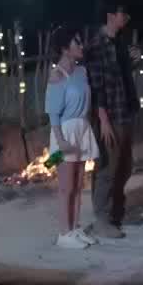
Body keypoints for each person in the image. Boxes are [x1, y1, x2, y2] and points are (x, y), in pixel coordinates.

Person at [85, 0, 140, 240]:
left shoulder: (119, 42)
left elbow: (119, 77)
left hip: (125, 110)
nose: (126, 18)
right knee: (107, 167)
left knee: (125, 166)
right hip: (110, 116)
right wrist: (104, 120)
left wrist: (132, 61)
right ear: (110, 15)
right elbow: (96, 87)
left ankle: (117, 212)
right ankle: (101, 219)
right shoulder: (96, 46)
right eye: (122, 14)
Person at [44, 28, 99, 250]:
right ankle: (63, 233)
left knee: (78, 184)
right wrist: (61, 142)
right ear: (65, 48)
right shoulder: (57, 75)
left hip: (82, 128)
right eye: (77, 42)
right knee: (66, 186)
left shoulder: (82, 72)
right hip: (64, 132)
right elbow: (52, 113)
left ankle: (75, 228)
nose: (81, 46)